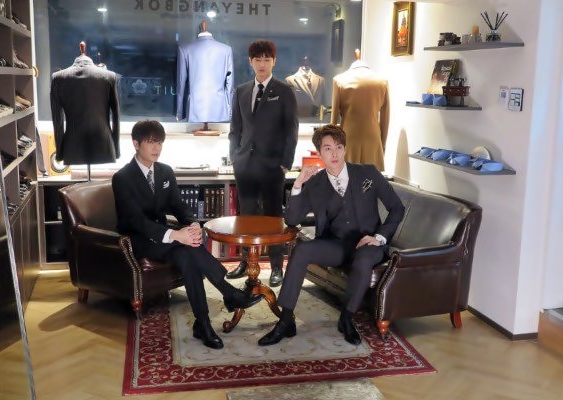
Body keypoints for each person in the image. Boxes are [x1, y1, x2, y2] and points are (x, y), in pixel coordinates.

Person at [112, 120, 263, 350]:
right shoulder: (122, 178)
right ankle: (228, 293)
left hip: (164, 238)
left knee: (187, 255)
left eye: (160, 142)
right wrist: (175, 235)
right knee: (187, 248)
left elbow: (178, 206)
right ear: (135, 143)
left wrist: (192, 225)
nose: (157, 148)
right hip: (138, 241)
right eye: (151, 142)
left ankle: (203, 322)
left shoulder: (164, 171)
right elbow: (136, 221)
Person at [258, 124, 405, 346]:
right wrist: (297, 184)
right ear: (320, 153)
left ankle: (346, 318)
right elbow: (292, 219)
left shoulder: (368, 173)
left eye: (338, 147)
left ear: (345, 149)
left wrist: (379, 237)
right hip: (336, 244)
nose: (334, 153)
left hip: (368, 244)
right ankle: (286, 320)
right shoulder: (315, 184)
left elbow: (397, 208)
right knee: (302, 250)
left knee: (364, 259)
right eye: (328, 148)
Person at [228, 40, 299, 287]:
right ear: (250, 61)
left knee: (273, 217)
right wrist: (234, 156)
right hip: (244, 165)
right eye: (257, 59)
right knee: (246, 216)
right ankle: (246, 261)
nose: (262, 64)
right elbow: (235, 129)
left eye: (267, 59)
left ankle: (277, 266)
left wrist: (285, 163)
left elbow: (291, 130)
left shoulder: (285, 91)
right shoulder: (241, 91)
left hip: (272, 166)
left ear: (274, 62)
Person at [331, 51, 389, 171]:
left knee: (347, 177)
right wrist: (382, 143)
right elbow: (385, 116)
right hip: (373, 138)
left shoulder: (339, 80)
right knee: (370, 178)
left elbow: (334, 118)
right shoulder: (382, 81)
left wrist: (332, 145)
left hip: (348, 137)